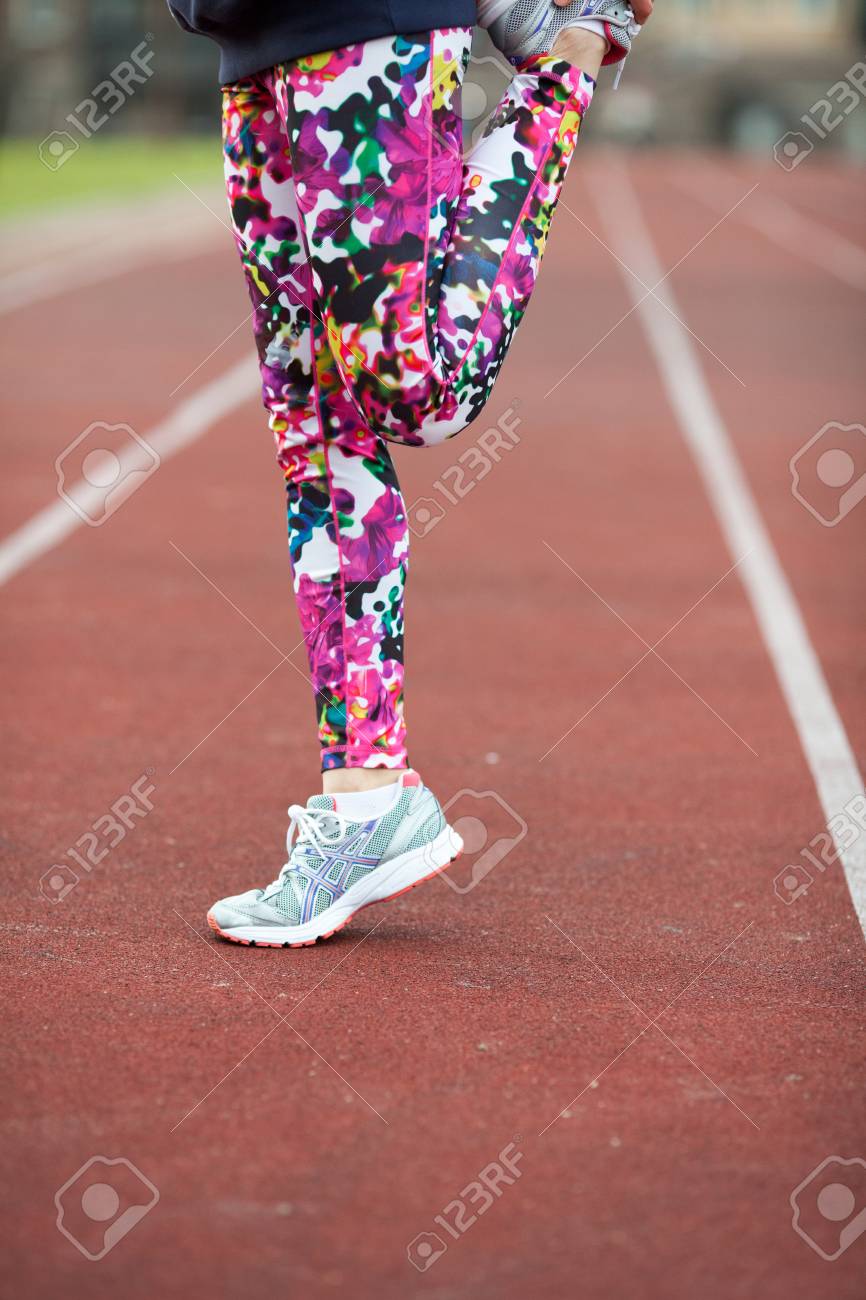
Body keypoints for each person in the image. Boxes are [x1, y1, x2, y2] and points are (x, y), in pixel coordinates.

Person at [167, 0, 653, 947]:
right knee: (316, 428)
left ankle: (570, 55)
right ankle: (365, 808)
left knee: (413, 390)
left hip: (365, 20)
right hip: (244, 36)